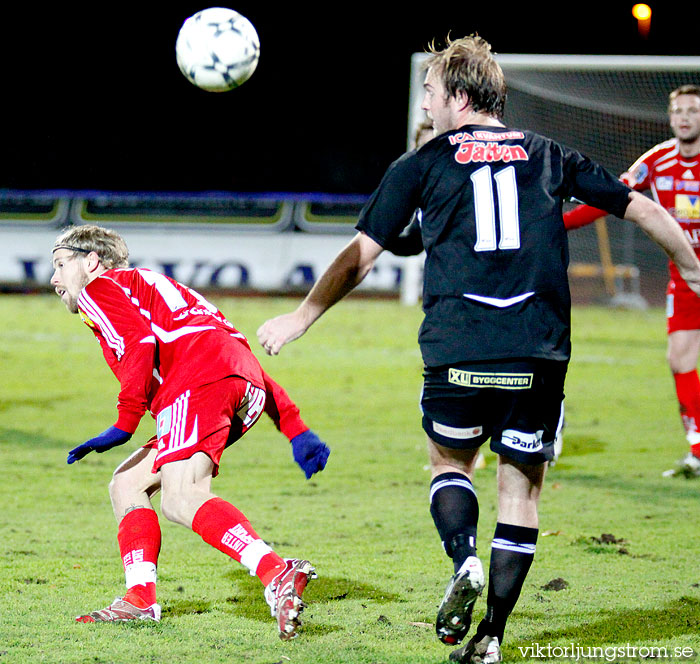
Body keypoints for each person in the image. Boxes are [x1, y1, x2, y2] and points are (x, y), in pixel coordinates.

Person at [256, 36, 700, 663]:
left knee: (449, 466)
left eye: (432, 93)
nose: (428, 105)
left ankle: (463, 560)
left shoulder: (423, 162)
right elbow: (642, 211)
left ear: (459, 96)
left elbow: (360, 255)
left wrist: (302, 317)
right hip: (539, 353)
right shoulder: (549, 154)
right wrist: (693, 267)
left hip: (458, 349)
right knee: (520, 494)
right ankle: (490, 637)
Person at [50, 224, 330, 640]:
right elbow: (230, 352)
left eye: (60, 264)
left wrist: (125, 422)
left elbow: (140, 343)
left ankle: (275, 571)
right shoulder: (156, 287)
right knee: (127, 484)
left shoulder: (100, 289)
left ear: (91, 262)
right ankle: (140, 599)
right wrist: (294, 428)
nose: (54, 278)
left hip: (197, 382)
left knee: (182, 498)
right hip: (239, 384)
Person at [563, 84, 700, 478]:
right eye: (679, 111)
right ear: (671, 116)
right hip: (685, 275)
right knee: (679, 360)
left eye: (692, 110)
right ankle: (698, 449)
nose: (685, 117)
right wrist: (560, 222)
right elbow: (613, 195)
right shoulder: (656, 161)